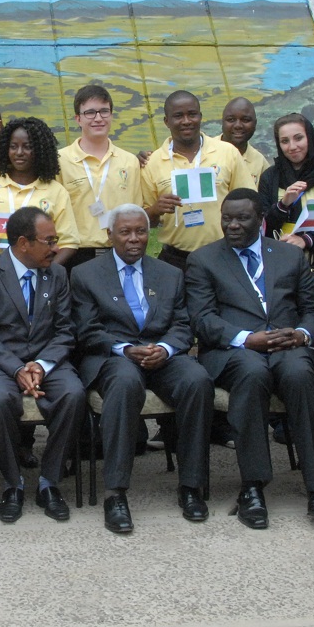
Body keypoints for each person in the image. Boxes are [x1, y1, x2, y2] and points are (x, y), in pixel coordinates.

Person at [186, 189, 314, 526]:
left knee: (300, 374)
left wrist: (302, 334)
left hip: (287, 345)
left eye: (242, 218)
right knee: (252, 374)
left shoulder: (290, 256)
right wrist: (246, 339)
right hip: (234, 351)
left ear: (261, 220)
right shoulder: (203, 260)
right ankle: (252, 487)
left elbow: (312, 310)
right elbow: (202, 319)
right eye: (227, 219)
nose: (233, 225)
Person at [71, 204, 212, 533]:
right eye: (125, 232)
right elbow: (86, 331)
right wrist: (125, 349)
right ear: (110, 235)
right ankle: (116, 493)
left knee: (197, 380)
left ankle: (191, 486)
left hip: (162, 354)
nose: (134, 239)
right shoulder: (85, 274)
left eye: (140, 231)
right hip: (114, 356)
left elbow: (183, 324)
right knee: (124, 383)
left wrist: (165, 348)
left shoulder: (170, 274)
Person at [0, 206, 85, 524]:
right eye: (49, 241)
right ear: (23, 243)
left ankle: (49, 482)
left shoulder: (57, 274)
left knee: (73, 394)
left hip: (47, 360)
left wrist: (41, 365)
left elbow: (65, 331)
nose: (56, 248)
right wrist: (17, 369)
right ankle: (12, 483)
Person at [142, 90, 256, 271]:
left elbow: (249, 201)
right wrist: (156, 209)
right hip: (175, 259)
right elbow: (145, 221)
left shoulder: (227, 152)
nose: (186, 121)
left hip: (223, 255)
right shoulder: (152, 163)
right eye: (178, 116)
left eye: (192, 114)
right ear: (166, 121)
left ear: (200, 117)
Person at [0, 117, 79, 267]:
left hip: (36, 274)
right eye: (13, 146)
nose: (19, 152)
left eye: (27, 147)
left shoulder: (56, 191)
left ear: (40, 150)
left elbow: (69, 243)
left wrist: (47, 271)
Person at [60, 84, 146, 271]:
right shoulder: (60, 161)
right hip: (76, 253)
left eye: (104, 111)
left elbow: (136, 210)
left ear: (111, 115)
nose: (98, 118)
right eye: (90, 113)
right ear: (78, 119)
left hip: (120, 252)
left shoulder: (129, 161)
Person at [257, 113, 314, 267]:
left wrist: (306, 240)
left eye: (298, 138)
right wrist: (283, 205)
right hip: (278, 265)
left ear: (310, 138)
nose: (292, 147)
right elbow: (262, 225)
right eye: (285, 141)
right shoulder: (270, 178)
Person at [221, 96, 271, 182]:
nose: (238, 125)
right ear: (222, 122)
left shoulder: (260, 163)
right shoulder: (204, 151)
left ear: (255, 124)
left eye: (245, 120)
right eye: (231, 120)